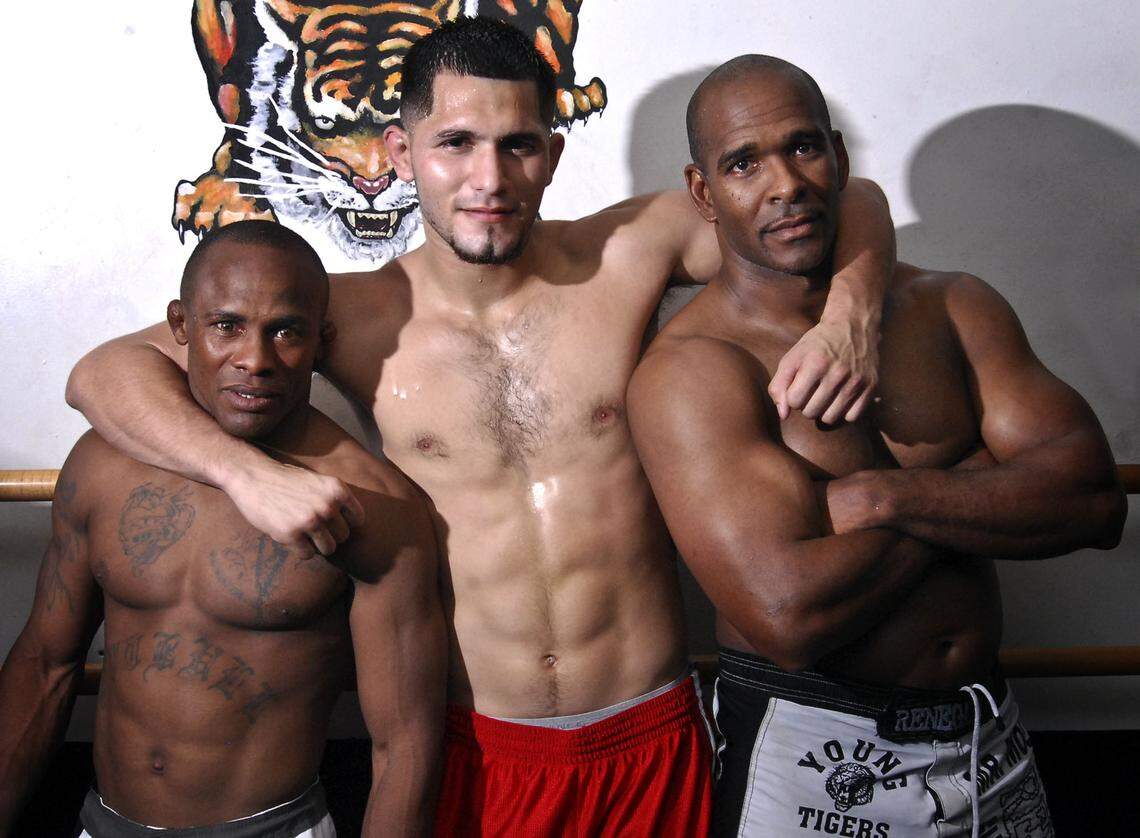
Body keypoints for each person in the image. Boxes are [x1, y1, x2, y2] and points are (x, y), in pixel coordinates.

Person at [65, 18, 895, 835]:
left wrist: (853, 308)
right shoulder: (349, 315)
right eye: (455, 143)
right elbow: (102, 373)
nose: (488, 178)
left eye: (518, 146)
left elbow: (841, 195)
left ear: (554, 154)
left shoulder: (632, 250)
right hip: (476, 747)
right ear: (401, 154)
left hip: (650, 737)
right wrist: (246, 473)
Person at [627, 55, 1127, 838]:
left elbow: (1093, 501)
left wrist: (884, 497)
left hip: (987, 737)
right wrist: (986, 483)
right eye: (744, 163)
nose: (785, 182)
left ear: (840, 156)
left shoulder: (952, 305)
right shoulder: (693, 371)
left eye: (803, 147)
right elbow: (788, 614)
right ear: (704, 193)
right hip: (818, 754)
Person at [0, 222, 445, 838]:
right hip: (102, 822)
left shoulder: (374, 508)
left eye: (285, 331)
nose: (255, 360)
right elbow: (45, 665)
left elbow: (405, 749)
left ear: (323, 341)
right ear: (181, 328)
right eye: (227, 326)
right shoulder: (102, 466)